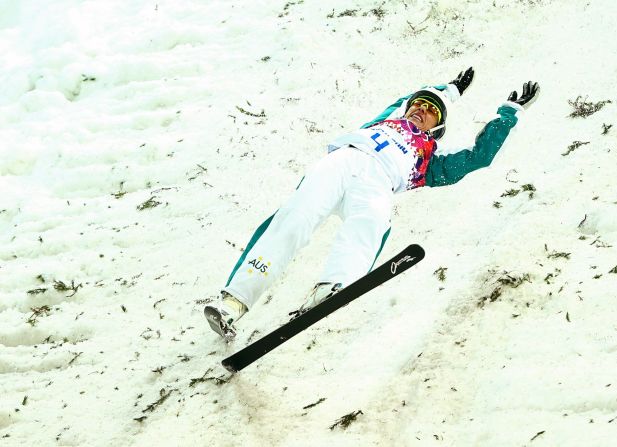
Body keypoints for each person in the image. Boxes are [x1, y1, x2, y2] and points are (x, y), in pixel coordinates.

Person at [205, 67, 540, 339]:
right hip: (343, 162)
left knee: (371, 223)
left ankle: (333, 287)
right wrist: (448, 90)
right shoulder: (387, 120)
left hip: (379, 184)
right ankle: (233, 303)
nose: (419, 110)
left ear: (437, 128)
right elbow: (407, 98)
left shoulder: (432, 160)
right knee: (294, 219)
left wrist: (509, 114)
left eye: (429, 111)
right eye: (417, 105)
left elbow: (478, 157)